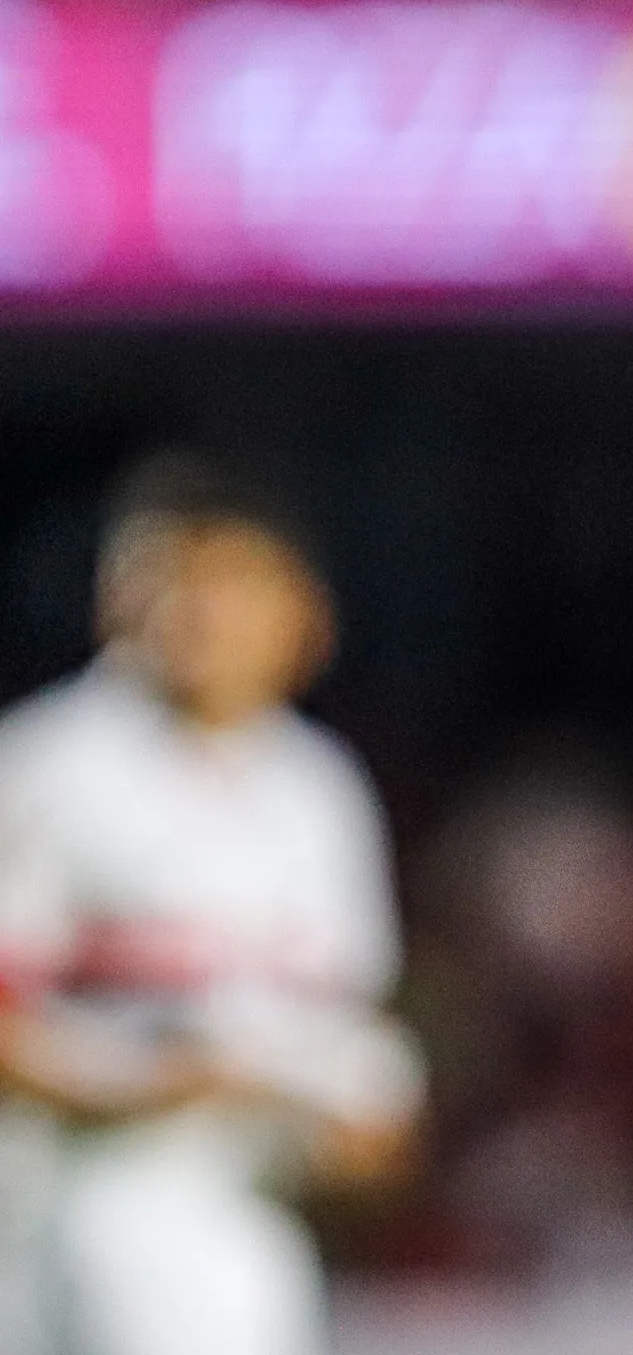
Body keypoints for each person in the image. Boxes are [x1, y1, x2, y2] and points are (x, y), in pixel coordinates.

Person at [0, 454, 422, 1355]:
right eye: (183, 587)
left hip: (253, 1218)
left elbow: (350, 1024)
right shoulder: (46, 767)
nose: (207, 617)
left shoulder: (319, 789)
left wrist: (366, 1123)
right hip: (76, 1211)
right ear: (123, 601)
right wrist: (159, 1084)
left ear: (303, 614)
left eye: (236, 587)